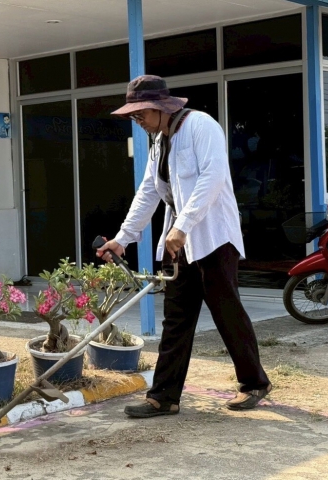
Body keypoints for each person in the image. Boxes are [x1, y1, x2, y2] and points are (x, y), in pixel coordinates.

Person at [96, 75, 271, 418]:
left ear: (160, 107)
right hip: (179, 241)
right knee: (176, 318)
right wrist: (123, 238)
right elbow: (149, 192)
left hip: (214, 237)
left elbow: (212, 177)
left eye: (141, 113)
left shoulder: (201, 126)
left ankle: (254, 383)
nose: (138, 120)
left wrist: (183, 225)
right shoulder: (159, 142)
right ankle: (163, 397)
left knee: (226, 312)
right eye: (133, 115)